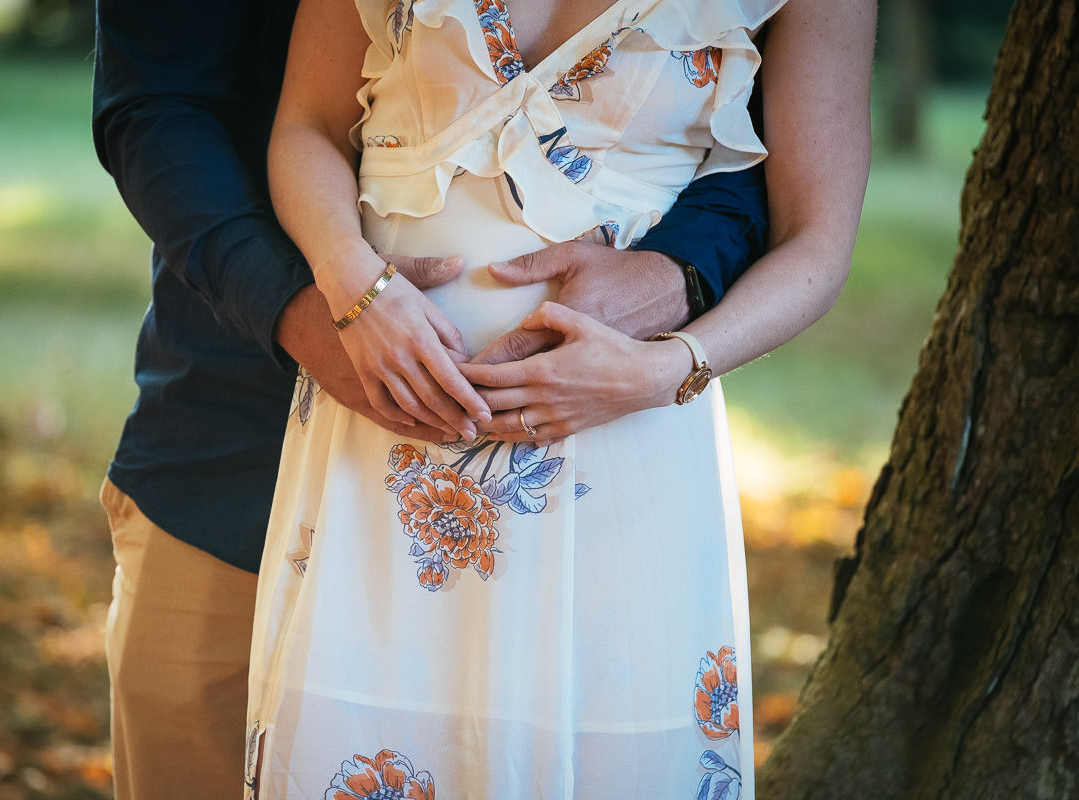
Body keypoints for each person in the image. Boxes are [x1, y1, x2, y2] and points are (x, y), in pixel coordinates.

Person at [90, 0, 768, 797]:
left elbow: (752, 130)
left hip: (595, 487)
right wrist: (301, 309)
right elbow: (159, 106)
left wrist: (678, 275)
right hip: (234, 428)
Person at [245, 0, 873, 797]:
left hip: (622, 456)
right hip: (380, 431)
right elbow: (307, 124)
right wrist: (350, 282)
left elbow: (816, 238)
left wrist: (671, 368)